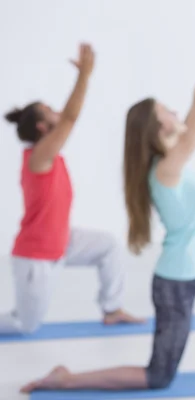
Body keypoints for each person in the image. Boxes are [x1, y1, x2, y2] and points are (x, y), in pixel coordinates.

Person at [21, 11, 195, 394]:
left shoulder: (168, 166)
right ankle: (65, 378)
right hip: (177, 283)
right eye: (168, 110)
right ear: (157, 127)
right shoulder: (166, 169)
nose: (177, 113)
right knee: (159, 377)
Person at [1, 44, 141, 336]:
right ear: (41, 126)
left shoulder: (48, 155)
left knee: (108, 246)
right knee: (25, 325)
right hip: (36, 256)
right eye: (51, 111)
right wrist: (85, 75)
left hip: (61, 242)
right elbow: (70, 119)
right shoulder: (40, 156)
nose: (58, 111)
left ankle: (112, 309)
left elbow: (66, 119)